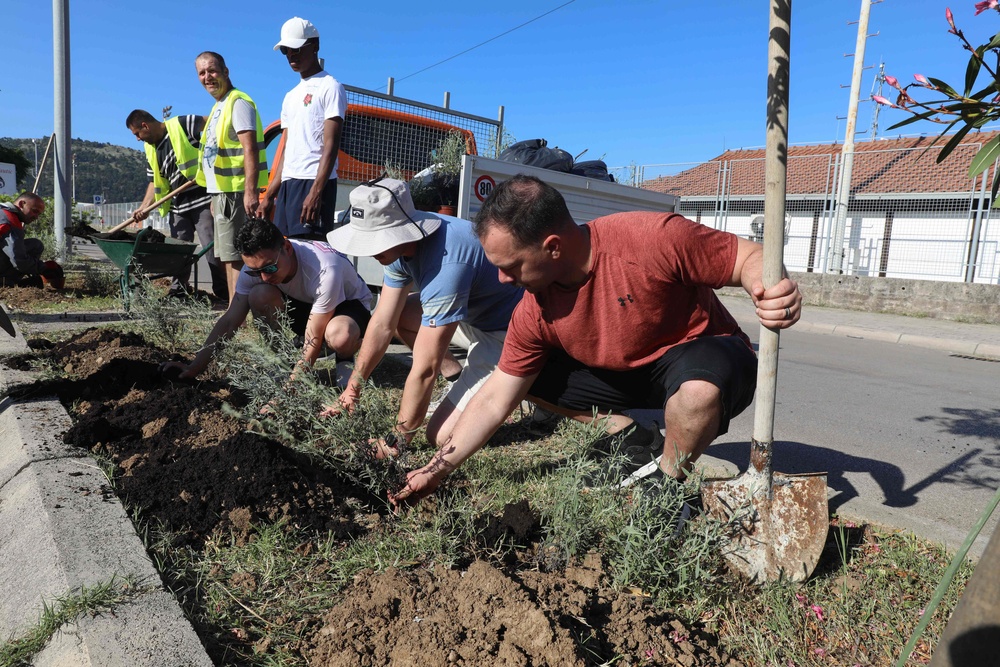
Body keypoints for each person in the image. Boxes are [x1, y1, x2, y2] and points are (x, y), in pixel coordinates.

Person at [390, 174, 803, 506]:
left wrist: (767, 289)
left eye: (510, 266)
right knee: (526, 377)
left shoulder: (649, 238)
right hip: (624, 373)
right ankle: (632, 435)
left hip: (700, 353)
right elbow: (497, 396)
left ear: (552, 247)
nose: (501, 279)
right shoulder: (534, 307)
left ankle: (667, 479)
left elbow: (748, 257)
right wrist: (436, 468)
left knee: (694, 394)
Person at [323, 178, 524, 453]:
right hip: (470, 315)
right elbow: (383, 322)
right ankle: (456, 378)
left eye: (375, 242)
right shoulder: (398, 245)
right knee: (404, 313)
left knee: (442, 437)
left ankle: (523, 385)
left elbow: (426, 367)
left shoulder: (447, 263)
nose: (371, 252)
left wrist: (397, 440)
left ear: (399, 230)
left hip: (506, 333)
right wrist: (354, 386)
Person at [159, 216, 372, 381]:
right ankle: (283, 361)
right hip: (307, 304)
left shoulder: (325, 268)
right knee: (259, 294)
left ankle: (347, 353)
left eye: (269, 268)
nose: (264, 276)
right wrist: (195, 366)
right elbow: (230, 320)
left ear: (286, 248)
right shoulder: (255, 269)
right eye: (255, 271)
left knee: (339, 336)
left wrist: (294, 385)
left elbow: (314, 335)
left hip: (348, 306)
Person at [124, 109, 228, 300]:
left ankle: (223, 293)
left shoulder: (182, 124)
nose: (137, 139)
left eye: (137, 133)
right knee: (178, 252)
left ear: (145, 125)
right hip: (177, 206)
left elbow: (213, 123)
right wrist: (144, 207)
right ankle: (179, 290)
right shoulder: (150, 149)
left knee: (211, 248)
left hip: (202, 199)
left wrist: (212, 159)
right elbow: (155, 182)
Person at [261, 17, 347, 241]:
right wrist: (270, 194)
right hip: (289, 185)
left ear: (315, 46)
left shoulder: (331, 87)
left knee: (310, 256)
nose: (291, 55)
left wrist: (316, 193)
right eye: (286, 50)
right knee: (284, 256)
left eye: (297, 48)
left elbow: (331, 145)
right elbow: (286, 148)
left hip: (314, 182)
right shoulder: (290, 96)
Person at [194, 51, 268, 305]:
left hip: (235, 191)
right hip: (224, 192)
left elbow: (250, 148)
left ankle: (238, 315)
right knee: (229, 255)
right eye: (202, 73)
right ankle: (236, 310)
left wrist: (250, 191)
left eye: (212, 70)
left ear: (226, 71)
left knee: (236, 256)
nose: (207, 77)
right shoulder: (219, 106)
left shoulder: (238, 102)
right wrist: (215, 195)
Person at [0, 192, 62, 288]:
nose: (36, 217)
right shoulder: (10, 220)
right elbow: (19, 261)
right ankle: (6, 282)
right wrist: (44, 268)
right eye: (35, 211)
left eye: (39, 214)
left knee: (34, 244)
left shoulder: (2, 211)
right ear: (21, 204)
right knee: (36, 246)